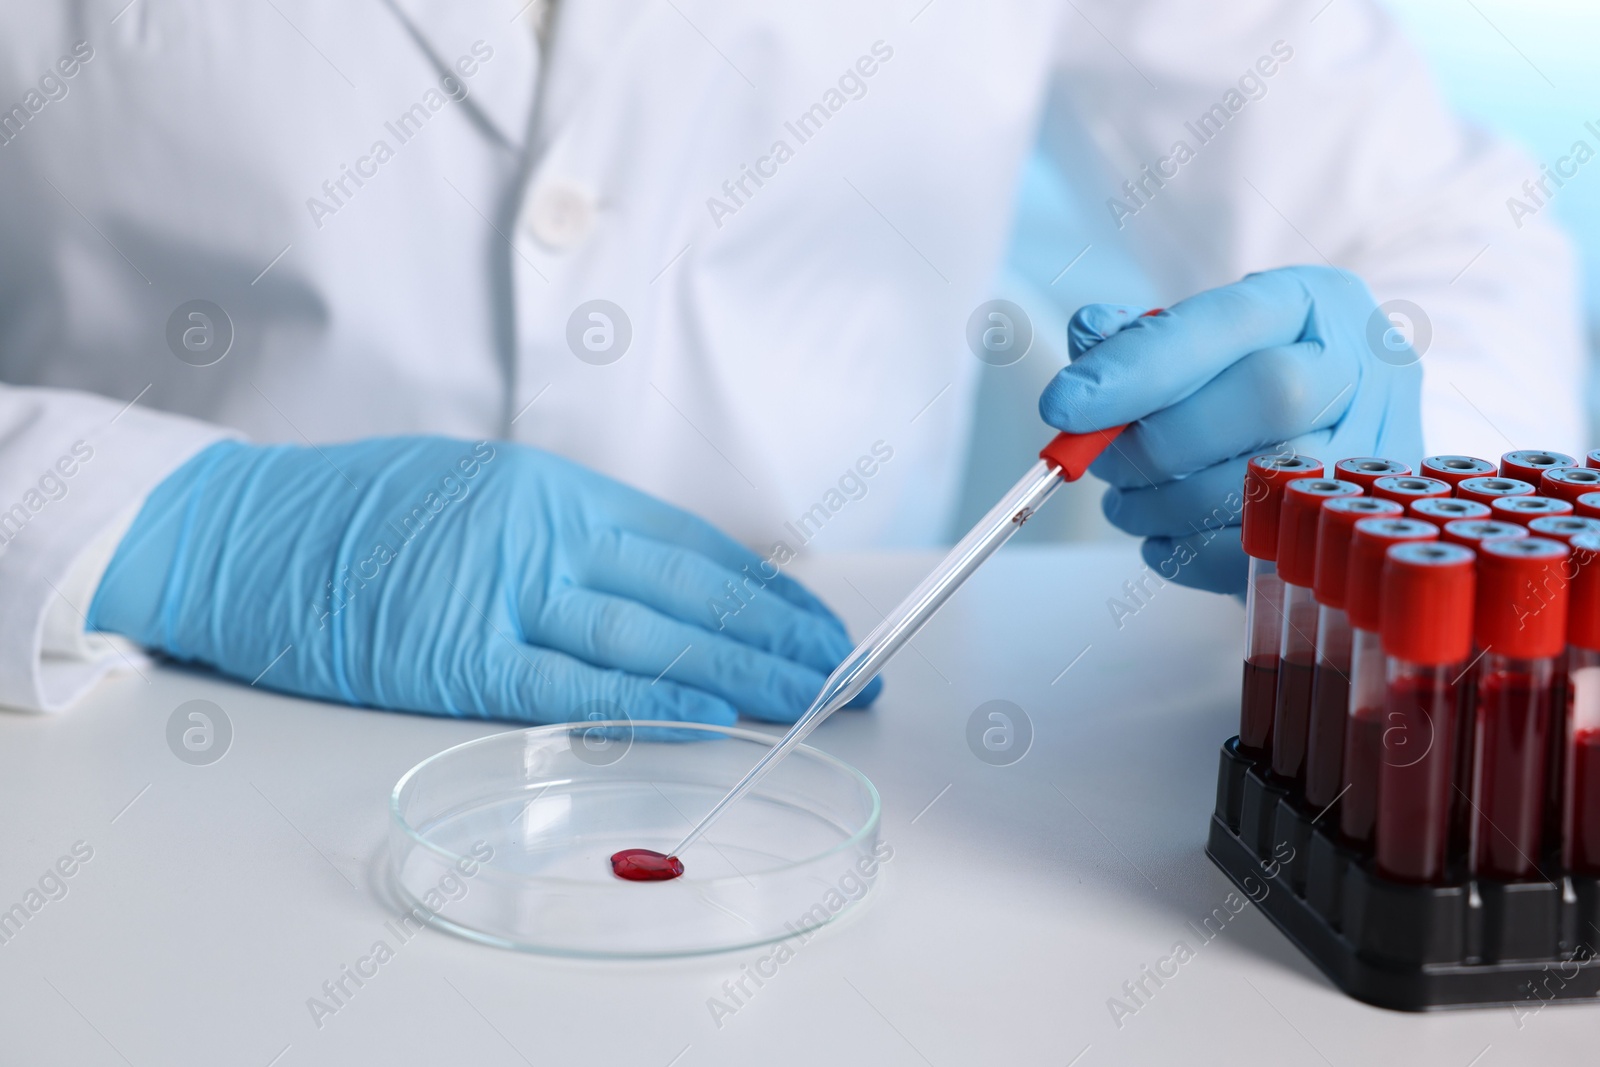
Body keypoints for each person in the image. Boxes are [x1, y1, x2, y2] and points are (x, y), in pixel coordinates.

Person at [0, 1, 1582, 723]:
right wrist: (161, 526)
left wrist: (1394, 449)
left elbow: (1449, 234)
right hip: (127, 696)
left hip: (805, 753)